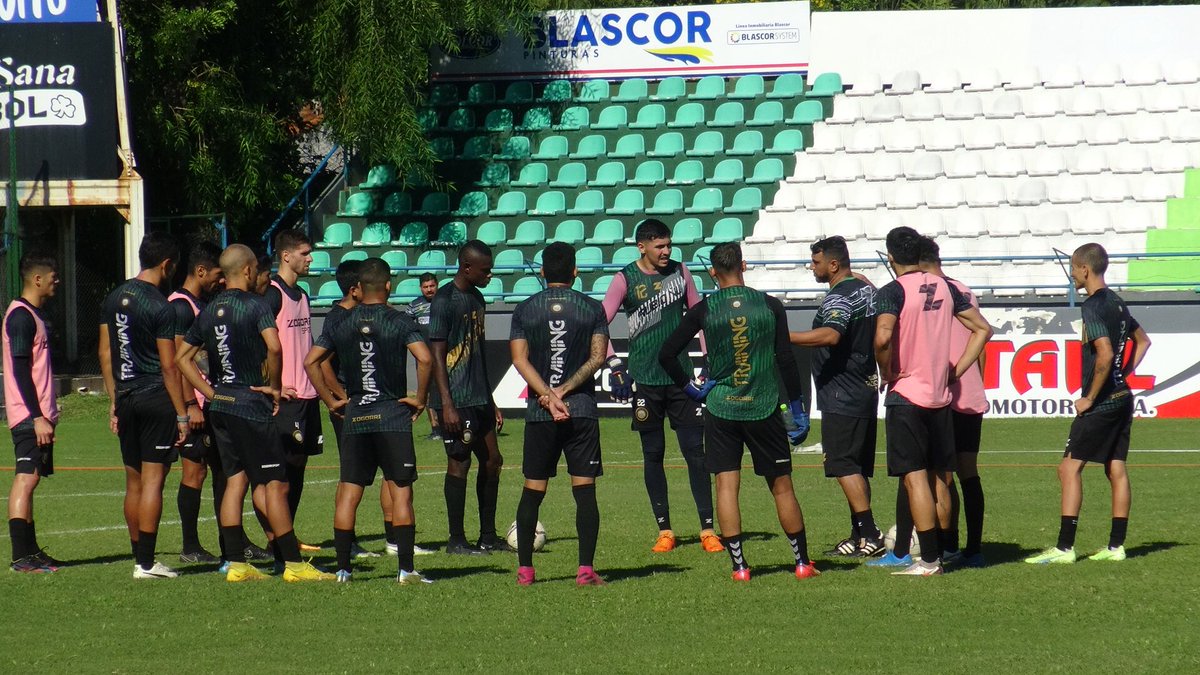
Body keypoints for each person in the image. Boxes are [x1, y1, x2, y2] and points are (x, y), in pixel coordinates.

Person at [658, 242, 817, 582]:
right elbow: (785, 359)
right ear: (743, 266)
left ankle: (740, 568)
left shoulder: (703, 309)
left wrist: (690, 389)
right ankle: (802, 563)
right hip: (763, 407)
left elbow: (667, 354)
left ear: (713, 272)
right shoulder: (771, 305)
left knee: (727, 487)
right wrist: (798, 408)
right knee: (783, 487)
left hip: (721, 409)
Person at [176, 244, 333, 582]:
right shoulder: (256, 305)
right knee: (274, 484)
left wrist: (209, 393)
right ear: (248, 270)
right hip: (250, 404)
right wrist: (275, 387)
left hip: (221, 405)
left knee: (234, 481)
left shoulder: (209, 308)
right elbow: (275, 347)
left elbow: (182, 358)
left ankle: (236, 564)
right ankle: (293, 565)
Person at [870, 227, 992, 576]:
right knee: (942, 479)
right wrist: (956, 370)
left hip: (908, 395)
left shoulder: (892, 291)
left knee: (914, 477)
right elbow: (983, 329)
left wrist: (886, 370)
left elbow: (882, 337)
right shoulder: (949, 287)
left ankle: (929, 560)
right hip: (941, 397)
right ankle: (946, 551)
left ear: (891, 258)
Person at [305, 257, 435, 584]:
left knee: (348, 492)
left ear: (359, 289)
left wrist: (331, 400)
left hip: (357, 414)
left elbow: (311, 362)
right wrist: (420, 398)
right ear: (388, 286)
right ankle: (406, 570)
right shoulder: (401, 321)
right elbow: (425, 358)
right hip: (391, 415)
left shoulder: (340, 323)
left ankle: (344, 571)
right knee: (401, 491)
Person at [1026, 243, 1151, 565]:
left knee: (1068, 468)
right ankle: (1116, 547)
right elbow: (1143, 340)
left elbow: (1106, 353)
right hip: (1124, 396)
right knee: (1116, 468)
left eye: (1073, 268)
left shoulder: (1093, 306)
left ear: (1085, 269)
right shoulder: (1118, 302)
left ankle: (1065, 548)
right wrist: (1124, 374)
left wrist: (1090, 397)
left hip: (1104, 401)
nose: (1071, 275)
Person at [602, 218, 721, 554]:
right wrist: (613, 363)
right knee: (652, 455)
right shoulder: (625, 279)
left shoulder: (682, 273)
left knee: (695, 454)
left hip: (682, 380)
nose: (667, 252)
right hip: (645, 381)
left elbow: (701, 318)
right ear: (642, 246)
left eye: (669, 245)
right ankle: (665, 530)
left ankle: (707, 529)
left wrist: (707, 359)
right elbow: (599, 322)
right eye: (660, 246)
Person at [510, 243, 610, 587]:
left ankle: (525, 570)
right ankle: (585, 570)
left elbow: (519, 359)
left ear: (541, 272)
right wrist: (564, 392)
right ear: (575, 271)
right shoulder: (592, 308)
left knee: (533, 489)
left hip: (541, 414)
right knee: (584, 490)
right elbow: (598, 357)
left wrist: (547, 395)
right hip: (580, 410)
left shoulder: (524, 309)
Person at [98, 232, 190, 579]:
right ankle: (147, 564)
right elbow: (169, 365)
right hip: (154, 397)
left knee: (133, 481)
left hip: (125, 397)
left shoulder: (114, 296)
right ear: (167, 265)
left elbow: (105, 353)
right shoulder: (161, 305)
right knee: (154, 481)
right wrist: (182, 413)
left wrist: (113, 400)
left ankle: (140, 558)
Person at [788, 236, 884, 558]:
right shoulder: (865, 289)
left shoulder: (839, 298)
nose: (811, 267)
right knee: (855, 466)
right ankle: (859, 535)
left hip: (843, 391)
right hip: (863, 387)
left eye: (815, 262)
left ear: (833, 264)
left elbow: (831, 334)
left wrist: (782, 336)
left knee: (843, 465)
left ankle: (870, 534)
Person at [428, 240, 507, 554]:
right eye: (485, 270)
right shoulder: (444, 300)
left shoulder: (477, 298)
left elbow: (477, 352)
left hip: (478, 396)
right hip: (456, 397)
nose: (490, 275)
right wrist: (445, 403)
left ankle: (488, 536)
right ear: (466, 267)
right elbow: (435, 354)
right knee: (459, 463)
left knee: (493, 461)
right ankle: (456, 540)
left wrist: (491, 399)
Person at [918, 238, 988, 567]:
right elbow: (982, 341)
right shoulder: (964, 289)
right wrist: (975, 378)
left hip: (941, 392)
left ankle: (949, 544)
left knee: (940, 475)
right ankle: (973, 548)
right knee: (967, 472)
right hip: (970, 392)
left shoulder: (930, 293)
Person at [168, 241, 229, 564]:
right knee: (194, 473)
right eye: (217, 274)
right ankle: (190, 545)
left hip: (210, 401)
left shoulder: (201, 304)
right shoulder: (180, 307)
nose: (220, 281)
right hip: (195, 404)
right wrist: (189, 404)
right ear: (200, 271)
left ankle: (231, 540)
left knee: (220, 471)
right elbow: (177, 360)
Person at [264, 230, 322, 552]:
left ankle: (288, 536)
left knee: (299, 467)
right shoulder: (272, 294)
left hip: (308, 396)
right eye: (305, 252)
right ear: (286, 256)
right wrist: (272, 386)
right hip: (285, 398)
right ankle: (278, 540)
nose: (310, 258)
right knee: (282, 471)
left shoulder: (303, 295)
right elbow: (263, 345)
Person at [4, 254, 62, 573]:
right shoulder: (21, 317)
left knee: (33, 478)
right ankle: (20, 556)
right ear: (37, 279)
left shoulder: (34, 315)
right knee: (25, 479)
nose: (57, 281)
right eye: (54, 276)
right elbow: (20, 369)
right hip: (28, 417)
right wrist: (37, 415)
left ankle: (31, 550)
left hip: (37, 414)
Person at [406, 272, 442, 440]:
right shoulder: (414, 306)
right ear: (421, 288)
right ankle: (435, 429)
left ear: (437, 285)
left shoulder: (445, 302)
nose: (429, 290)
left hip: (444, 355)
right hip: (423, 357)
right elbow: (406, 328)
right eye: (426, 287)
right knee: (426, 391)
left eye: (432, 286)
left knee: (444, 389)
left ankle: (450, 425)